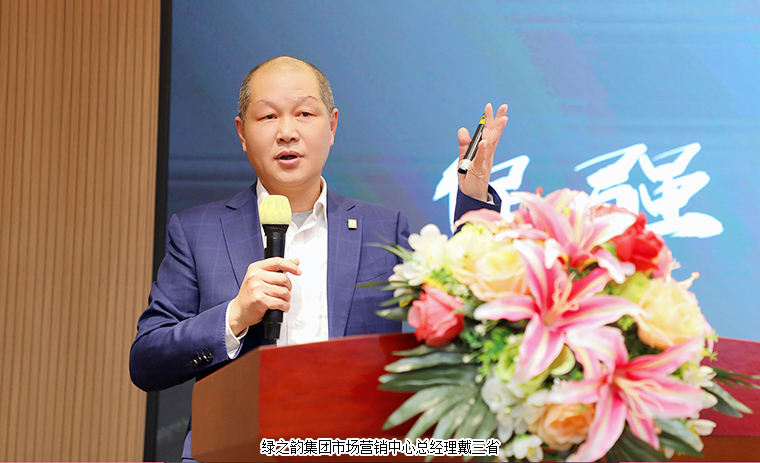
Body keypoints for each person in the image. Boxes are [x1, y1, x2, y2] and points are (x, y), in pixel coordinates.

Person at [129, 56, 509, 460]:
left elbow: (463, 310)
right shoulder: (196, 231)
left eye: (304, 113)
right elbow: (147, 361)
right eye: (268, 116)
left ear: (332, 126)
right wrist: (234, 316)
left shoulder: (382, 229)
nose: (286, 132)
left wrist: (474, 197)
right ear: (242, 132)